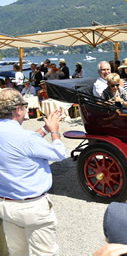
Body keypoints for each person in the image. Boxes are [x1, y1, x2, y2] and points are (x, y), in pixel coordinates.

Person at [0, 88, 67, 255]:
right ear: (17, 109)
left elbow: (22, 145)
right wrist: (54, 131)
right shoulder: (26, 138)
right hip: (33, 206)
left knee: (16, 251)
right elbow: (59, 153)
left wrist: (44, 129)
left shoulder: (21, 137)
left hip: (6, 204)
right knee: (44, 252)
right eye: (24, 105)